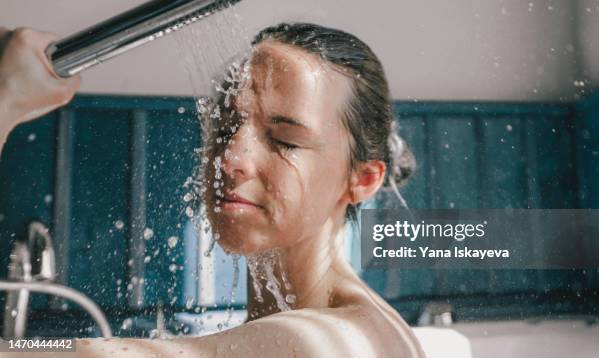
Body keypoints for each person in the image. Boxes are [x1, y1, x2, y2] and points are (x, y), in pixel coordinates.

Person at [0, 22, 424, 357]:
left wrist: (6, 98)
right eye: (225, 126)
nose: (228, 158)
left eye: (284, 140)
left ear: (363, 179)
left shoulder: (333, 342)